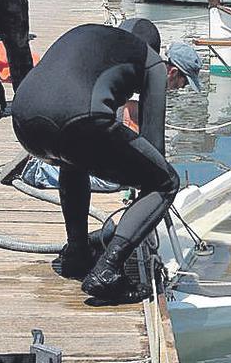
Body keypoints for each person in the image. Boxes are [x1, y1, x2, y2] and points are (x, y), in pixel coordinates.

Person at [11, 19, 202, 303]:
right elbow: (155, 151)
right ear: (172, 68)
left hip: (23, 120)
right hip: (74, 119)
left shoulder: (95, 39)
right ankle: (108, 271)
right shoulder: (152, 63)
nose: (179, 88)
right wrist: (146, 207)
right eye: (183, 83)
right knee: (165, 181)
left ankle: (77, 253)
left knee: (74, 158)